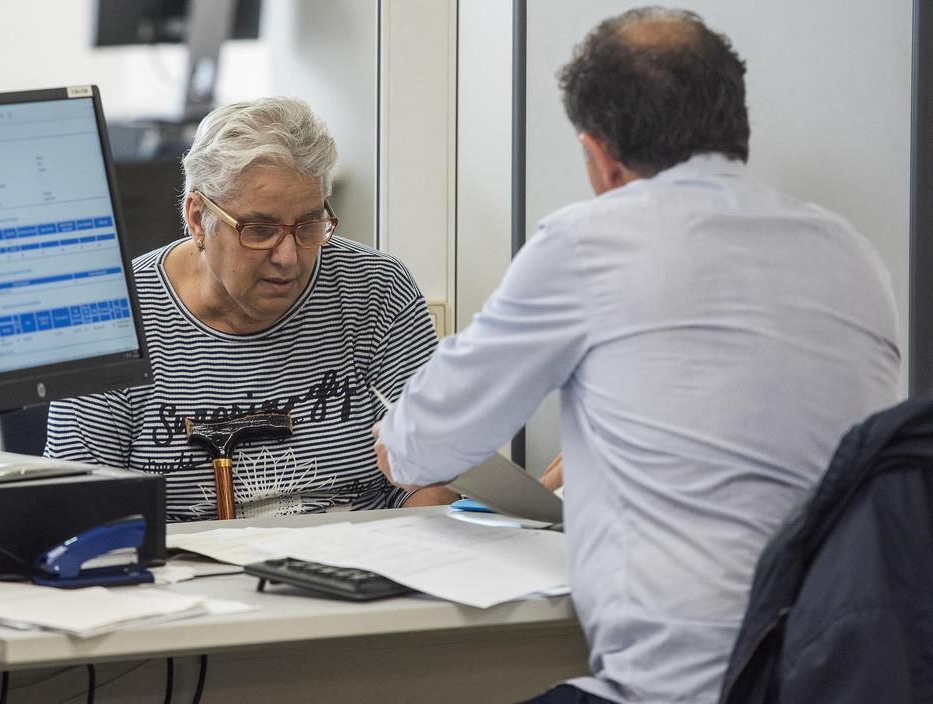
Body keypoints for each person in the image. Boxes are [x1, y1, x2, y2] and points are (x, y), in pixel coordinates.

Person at [373, 8, 900, 704]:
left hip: (675, 689)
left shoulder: (590, 244)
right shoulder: (853, 255)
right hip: (842, 674)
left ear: (599, 156)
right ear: (736, 124)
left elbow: (419, 451)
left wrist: (396, 440)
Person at [47, 96, 457, 521]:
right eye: (259, 230)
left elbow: (428, 483)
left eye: (308, 226)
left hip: (362, 562)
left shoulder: (375, 289)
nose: (288, 257)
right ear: (197, 218)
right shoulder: (112, 316)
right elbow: (78, 509)